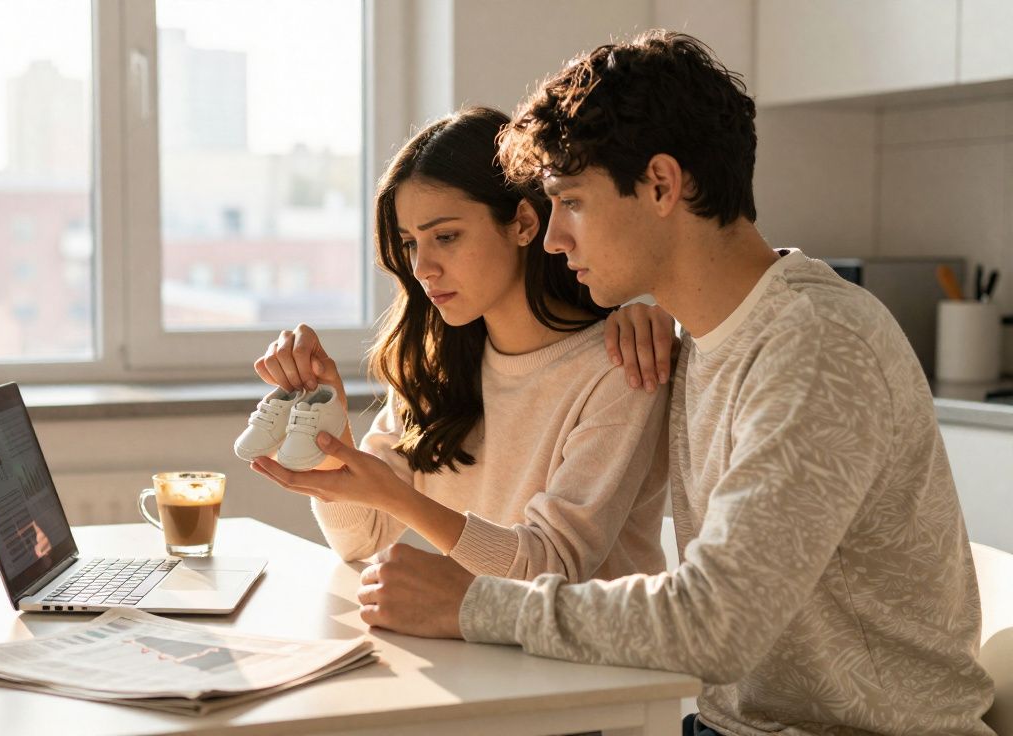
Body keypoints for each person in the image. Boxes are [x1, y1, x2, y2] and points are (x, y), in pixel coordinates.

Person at [345, 31, 996, 736]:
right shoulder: (695, 340)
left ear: (660, 184)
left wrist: (473, 605)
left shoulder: (816, 344)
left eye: (571, 201)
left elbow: (716, 623)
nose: (554, 238)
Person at [248, 106, 676, 585]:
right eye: (411, 243)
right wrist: (329, 429)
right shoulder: (438, 365)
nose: (422, 268)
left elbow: (550, 567)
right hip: (475, 632)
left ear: (523, 224)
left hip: (579, 638)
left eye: (446, 236)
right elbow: (360, 538)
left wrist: (398, 497)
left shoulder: (623, 367)